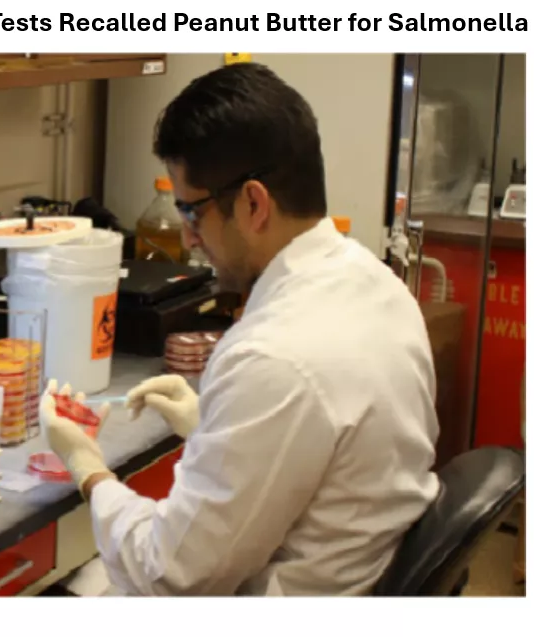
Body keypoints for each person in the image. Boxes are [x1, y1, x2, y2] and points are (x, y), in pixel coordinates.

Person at [40, 62, 441, 596]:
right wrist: (208, 422)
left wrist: (87, 465)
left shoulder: (272, 356)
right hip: (353, 570)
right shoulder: (377, 284)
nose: (186, 235)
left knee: (71, 587)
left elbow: (171, 577)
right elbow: (318, 448)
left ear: (253, 203)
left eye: (191, 209)